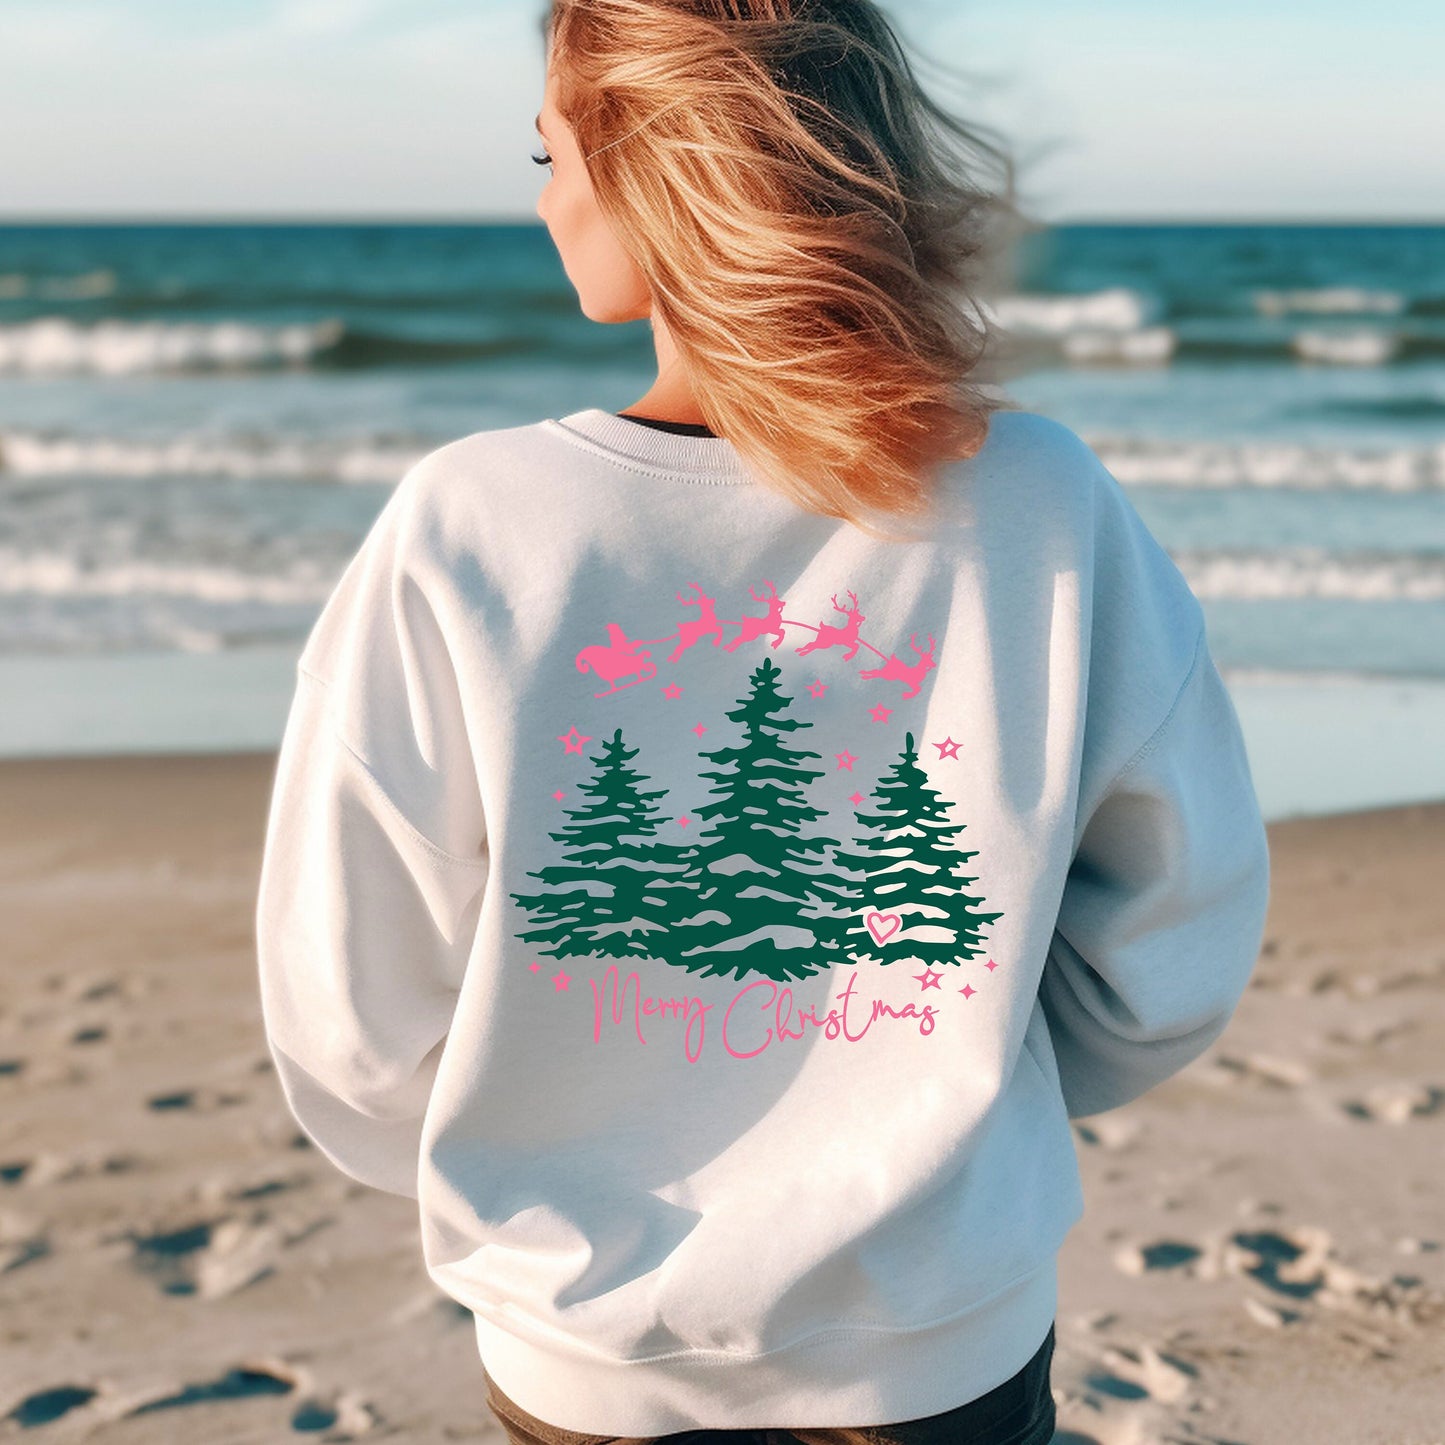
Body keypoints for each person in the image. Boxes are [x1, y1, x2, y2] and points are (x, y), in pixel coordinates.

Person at [254, 3, 1271, 1443]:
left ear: (659, 168)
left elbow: (355, 1018)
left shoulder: (473, 528)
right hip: (935, 1333)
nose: (544, 201)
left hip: (581, 1345)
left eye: (549, 156)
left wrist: (544, 1133)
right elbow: (1169, 938)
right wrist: (955, 1094)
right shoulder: (1038, 509)